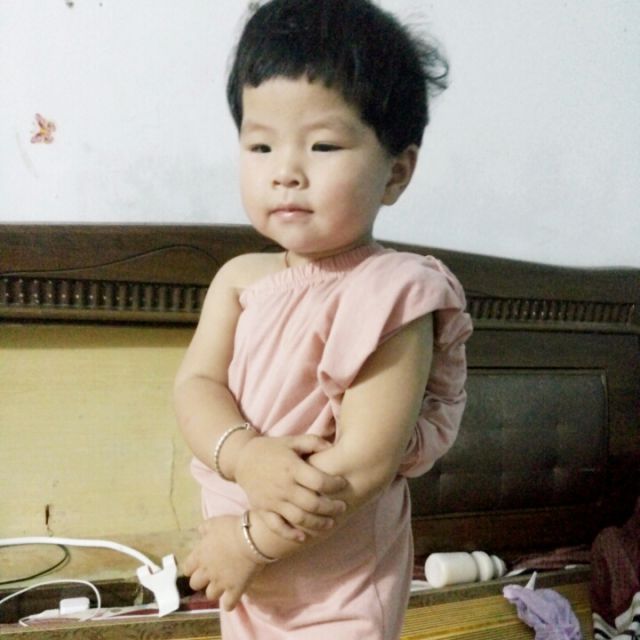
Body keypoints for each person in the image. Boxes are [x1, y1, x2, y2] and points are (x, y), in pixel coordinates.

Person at [174, 0, 473, 637]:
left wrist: (251, 541)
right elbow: (197, 386)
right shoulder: (239, 280)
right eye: (260, 145)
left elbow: (363, 464)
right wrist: (245, 455)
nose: (285, 172)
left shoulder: (397, 294)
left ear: (396, 172)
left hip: (336, 584)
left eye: (323, 145)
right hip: (248, 576)